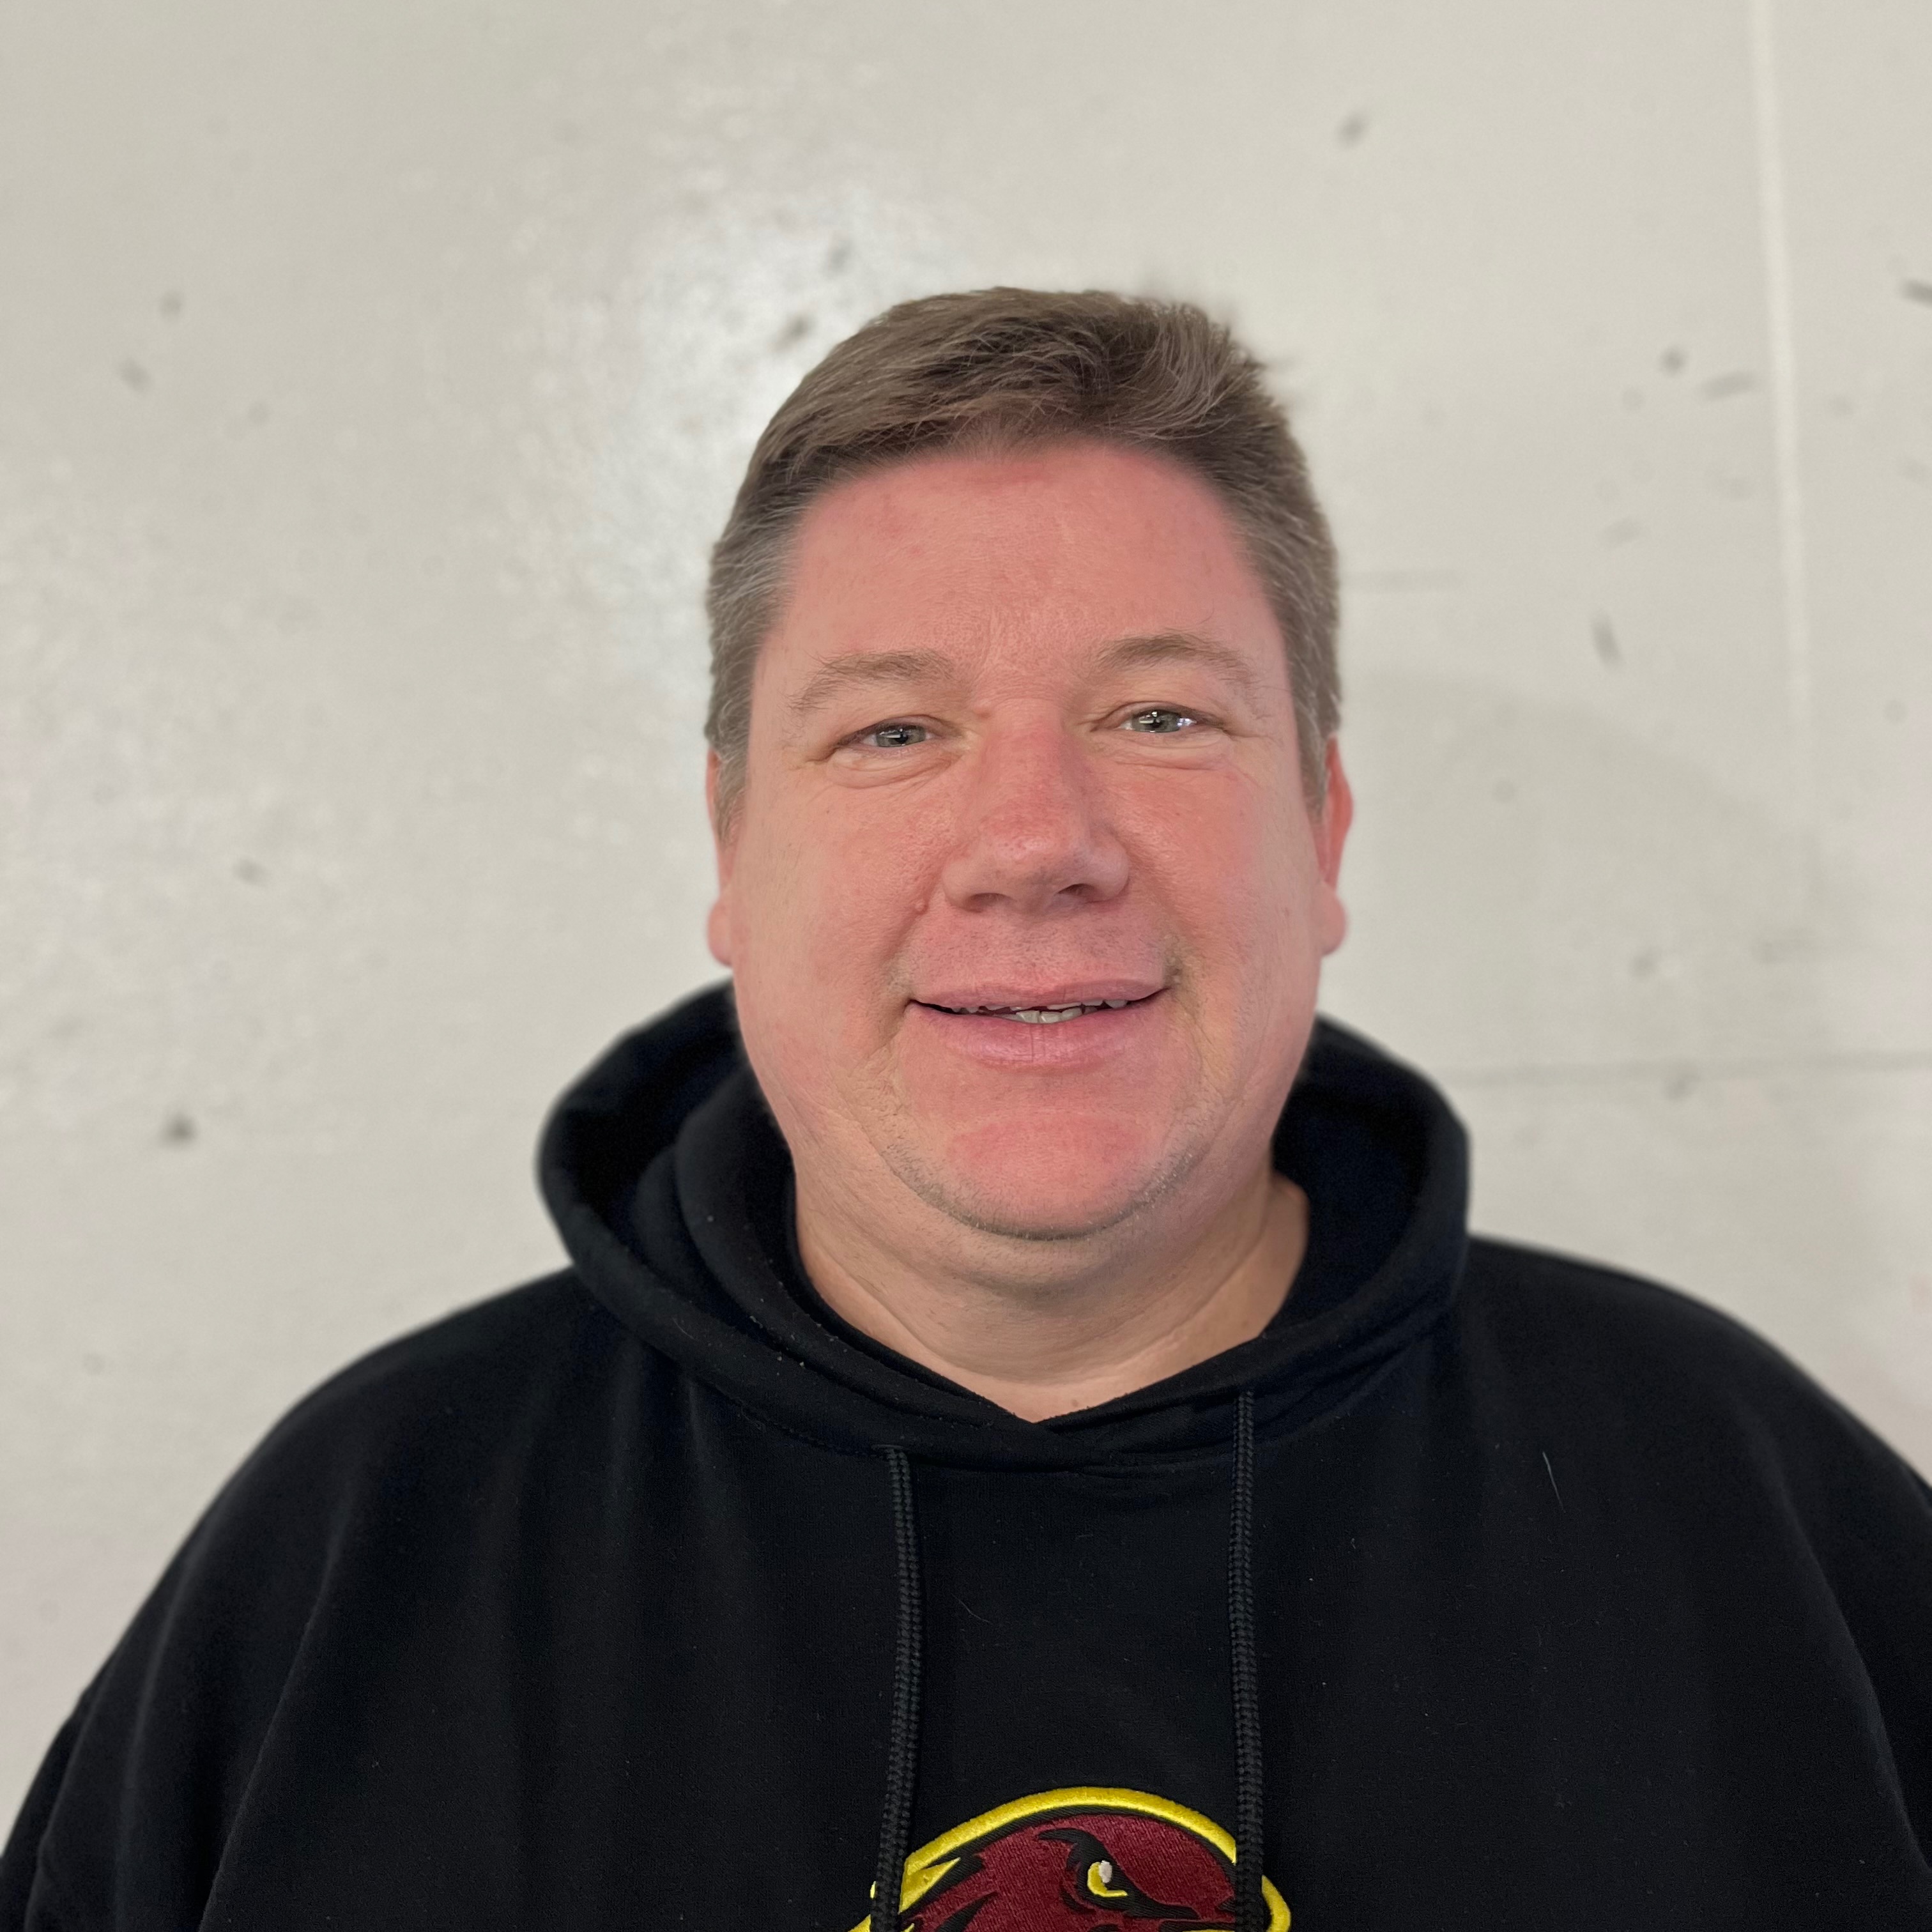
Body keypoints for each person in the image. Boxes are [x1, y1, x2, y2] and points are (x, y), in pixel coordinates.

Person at [4, 288, 1929, 1932]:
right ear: (733, 847)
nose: (1034, 842)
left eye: (1160, 716)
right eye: (895, 730)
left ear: (1325, 829)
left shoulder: (1755, 1525)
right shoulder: (355, 1559)